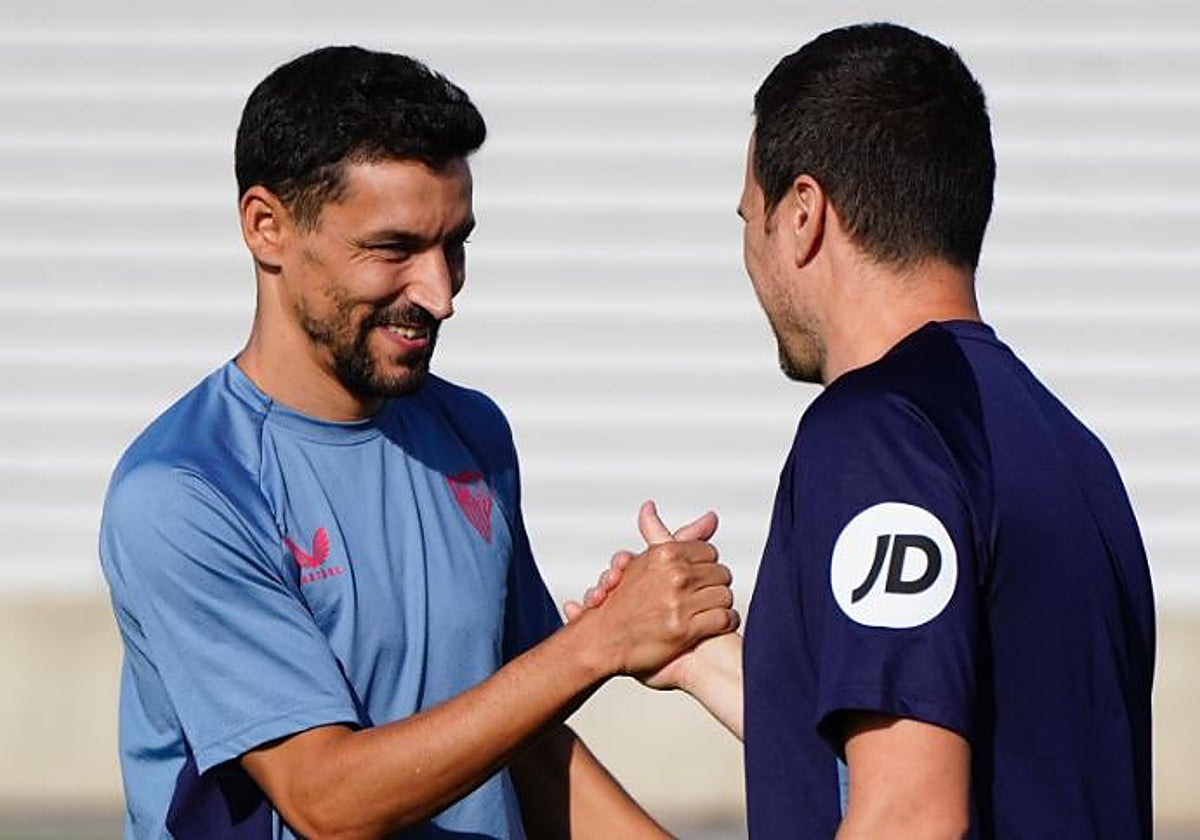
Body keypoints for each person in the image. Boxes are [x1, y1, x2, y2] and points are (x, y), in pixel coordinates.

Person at [98, 45, 739, 840]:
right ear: (266, 228)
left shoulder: (472, 433)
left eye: (455, 244)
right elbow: (327, 801)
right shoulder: (185, 491)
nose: (439, 293)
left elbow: (523, 741)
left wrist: (595, 652)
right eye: (395, 249)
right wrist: (599, 643)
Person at [576, 22, 1155, 838]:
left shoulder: (874, 436)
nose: (751, 255)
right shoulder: (1066, 447)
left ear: (804, 213)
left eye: (750, 219)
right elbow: (956, 732)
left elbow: (908, 814)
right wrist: (703, 664)